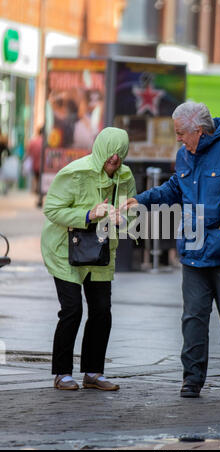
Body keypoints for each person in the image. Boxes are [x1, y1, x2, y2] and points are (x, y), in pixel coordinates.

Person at [122, 102, 220, 401]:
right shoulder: (184, 154)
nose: (177, 138)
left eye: (180, 133)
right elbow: (175, 188)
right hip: (194, 250)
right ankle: (191, 380)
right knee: (193, 319)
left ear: (198, 131)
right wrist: (141, 200)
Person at [41, 127, 136, 391]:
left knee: (102, 311)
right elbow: (52, 209)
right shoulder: (75, 173)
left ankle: (93, 372)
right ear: (100, 149)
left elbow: (132, 211)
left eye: (120, 153)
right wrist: (89, 214)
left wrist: (123, 218)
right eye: (110, 153)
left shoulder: (125, 176)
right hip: (64, 249)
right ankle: (62, 373)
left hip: (101, 249)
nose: (115, 159)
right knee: (72, 309)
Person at [26, 127, 43, 193]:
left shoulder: (33, 141)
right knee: (41, 177)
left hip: (35, 163)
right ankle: (39, 189)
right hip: (42, 164)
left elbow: (28, 151)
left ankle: (35, 189)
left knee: (36, 176)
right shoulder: (46, 142)